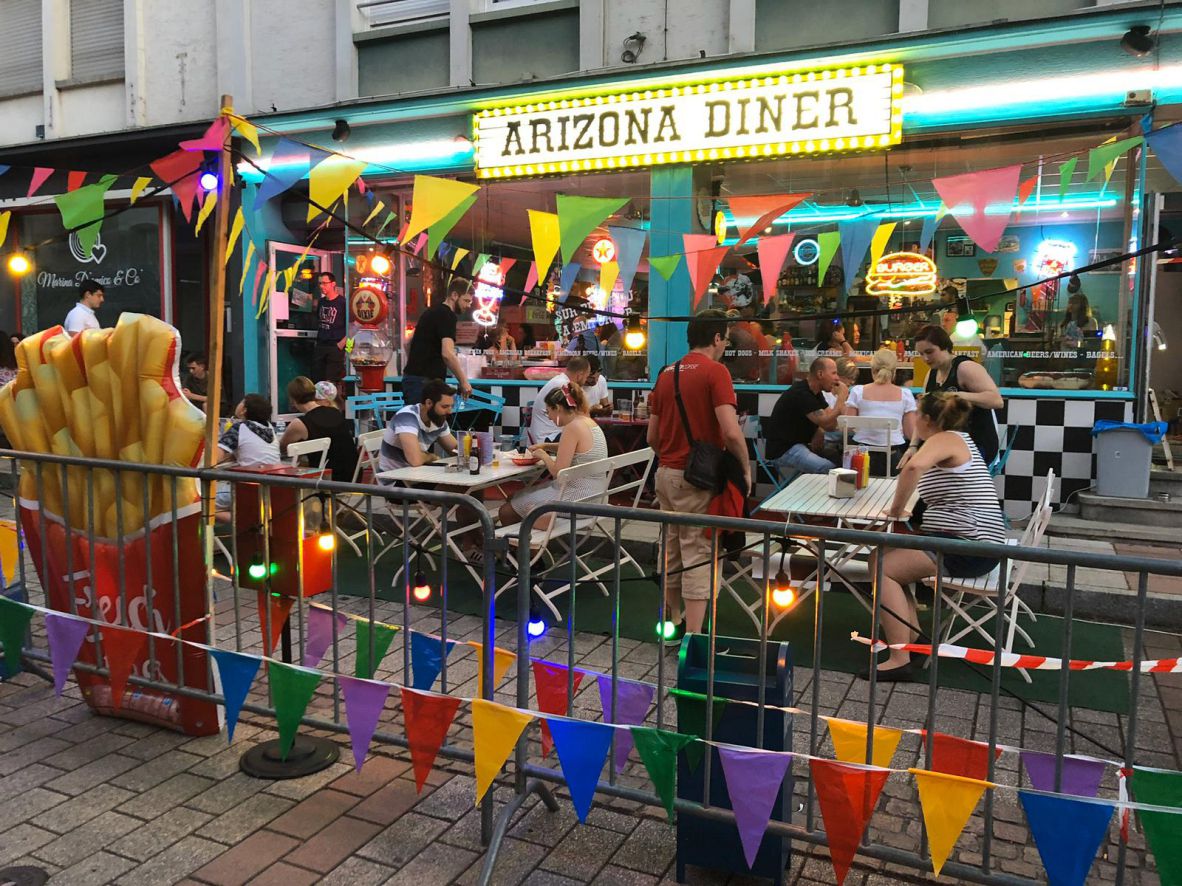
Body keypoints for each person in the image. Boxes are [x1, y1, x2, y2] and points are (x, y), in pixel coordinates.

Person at [869, 392, 1007, 680]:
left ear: (927, 419)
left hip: (970, 546)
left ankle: (899, 658)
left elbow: (913, 468)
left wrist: (895, 510)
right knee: (878, 557)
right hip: (967, 540)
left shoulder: (945, 439)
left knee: (884, 568)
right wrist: (915, 447)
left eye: (917, 413)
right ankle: (913, 638)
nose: (913, 417)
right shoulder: (953, 439)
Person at [646, 309, 751, 636]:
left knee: (673, 548)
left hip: (665, 474)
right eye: (725, 339)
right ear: (717, 338)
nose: (725, 345)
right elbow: (731, 432)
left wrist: (673, 457)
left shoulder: (667, 373)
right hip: (698, 481)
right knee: (699, 553)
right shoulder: (716, 372)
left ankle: (671, 623)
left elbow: (652, 437)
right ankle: (693, 639)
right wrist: (745, 470)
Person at [499, 383, 609, 530]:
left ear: (557, 408)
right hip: (597, 495)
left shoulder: (572, 427)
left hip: (579, 498)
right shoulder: (588, 422)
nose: (549, 418)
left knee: (506, 511)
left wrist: (543, 455)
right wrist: (546, 446)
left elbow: (559, 473)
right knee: (515, 498)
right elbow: (578, 449)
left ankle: (523, 549)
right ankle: (528, 539)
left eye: (548, 412)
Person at [908, 325, 1003, 466]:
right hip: (948, 444)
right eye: (921, 354)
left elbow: (996, 400)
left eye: (929, 352)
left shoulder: (965, 368)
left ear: (945, 347)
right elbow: (924, 412)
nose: (925, 358)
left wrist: (958, 395)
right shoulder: (932, 374)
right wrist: (913, 446)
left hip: (976, 444)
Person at [765, 356, 847, 477]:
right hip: (784, 449)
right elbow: (827, 422)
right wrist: (841, 397)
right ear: (820, 374)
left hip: (800, 444)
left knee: (838, 459)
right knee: (829, 469)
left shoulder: (815, 392)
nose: (837, 378)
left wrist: (820, 429)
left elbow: (830, 424)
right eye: (834, 373)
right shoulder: (801, 393)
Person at [845, 349, 917, 475]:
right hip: (892, 458)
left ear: (872, 370)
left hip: (861, 458)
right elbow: (910, 433)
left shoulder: (857, 391)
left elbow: (848, 428)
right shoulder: (905, 394)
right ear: (894, 372)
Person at [402, 280, 475, 405]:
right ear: (454, 295)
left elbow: (408, 343)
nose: (468, 305)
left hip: (412, 379)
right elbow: (447, 354)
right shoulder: (448, 315)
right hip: (425, 383)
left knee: (416, 422)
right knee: (426, 423)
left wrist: (419, 363)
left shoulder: (430, 312)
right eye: (466, 300)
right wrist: (463, 381)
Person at [215, 394, 281, 520]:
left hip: (248, 489)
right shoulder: (269, 428)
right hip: (272, 489)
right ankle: (250, 518)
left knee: (200, 502)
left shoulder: (239, 428)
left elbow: (216, 458)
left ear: (244, 410)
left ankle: (244, 520)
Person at [280, 378, 359, 482]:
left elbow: (282, 449)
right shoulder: (335, 412)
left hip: (327, 479)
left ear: (293, 400)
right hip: (354, 475)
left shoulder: (299, 424)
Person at [379, 378, 459, 472]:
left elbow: (456, 450)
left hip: (417, 474)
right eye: (445, 406)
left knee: (464, 483)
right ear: (429, 403)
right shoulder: (406, 417)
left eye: (451, 406)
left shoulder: (437, 419)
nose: (450, 411)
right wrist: (430, 457)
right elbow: (415, 460)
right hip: (394, 479)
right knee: (457, 485)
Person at [530, 356, 590, 443]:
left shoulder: (559, 381)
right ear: (579, 375)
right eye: (586, 377)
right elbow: (581, 414)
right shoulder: (564, 386)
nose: (586, 381)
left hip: (547, 434)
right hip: (548, 437)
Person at [311, 273, 348, 386]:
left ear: (333, 284)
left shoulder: (342, 302)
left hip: (335, 346)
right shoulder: (321, 302)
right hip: (321, 344)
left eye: (325, 283)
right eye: (320, 283)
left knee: (331, 381)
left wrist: (343, 344)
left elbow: (352, 326)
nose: (322, 286)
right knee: (318, 380)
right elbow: (318, 319)